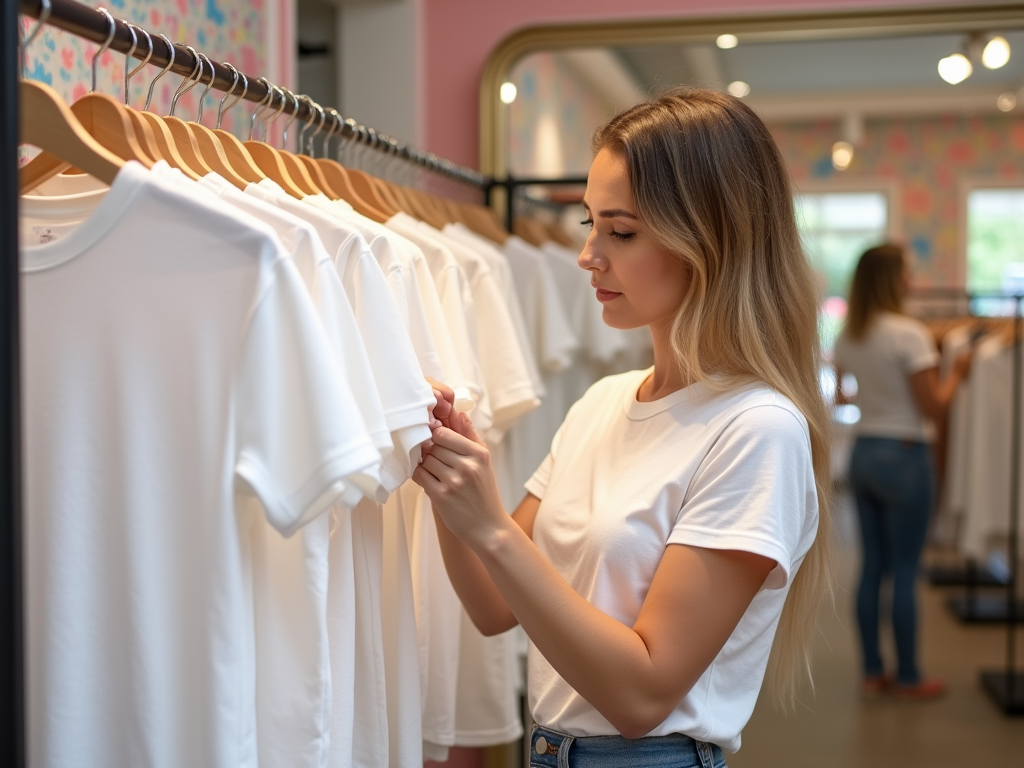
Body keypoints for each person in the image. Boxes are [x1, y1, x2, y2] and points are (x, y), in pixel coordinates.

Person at [414, 87, 832, 767]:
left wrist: (489, 524)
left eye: (622, 231)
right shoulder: (603, 402)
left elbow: (641, 695)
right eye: (589, 224)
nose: (588, 256)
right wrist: (449, 473)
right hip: (548, 750)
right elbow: (494, 606)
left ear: (709, 240)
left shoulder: (756, 430)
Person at [834, 244, 971, 699]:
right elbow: (934, 405)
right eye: (908, 272)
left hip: (864, 453)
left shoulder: (850, 334)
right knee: (907, 570)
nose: (912, 279)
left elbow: (841, 399)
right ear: (892, 279)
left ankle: (873, 671)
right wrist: (958, 372)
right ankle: (909, 675)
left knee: (872, 568)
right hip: (907, 455)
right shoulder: (908, 334)